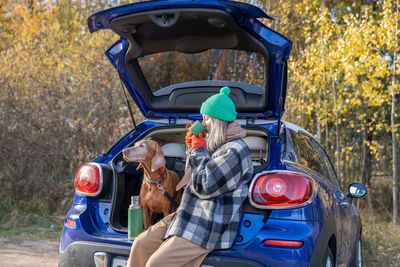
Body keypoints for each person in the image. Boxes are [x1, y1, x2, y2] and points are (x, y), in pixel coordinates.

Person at [126, 86, 254, 267]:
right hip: (187, 213)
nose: (203, 122)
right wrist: (191, 149)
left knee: (157, 263)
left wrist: (198, 149)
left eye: (206, 118)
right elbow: (189, 182)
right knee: (140, 244)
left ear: (218, 121)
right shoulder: (214, 145)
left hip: (208, 222)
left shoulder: (235, 150)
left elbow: (204, 186)